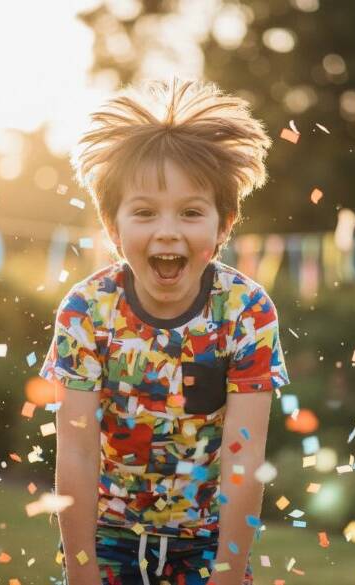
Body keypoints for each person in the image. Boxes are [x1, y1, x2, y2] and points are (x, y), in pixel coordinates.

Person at [39, 77, 290, 585]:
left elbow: (245, 456)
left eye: (192, 212)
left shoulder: (247, 312)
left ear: (223, 227)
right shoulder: (85, 311)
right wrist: (82, 574)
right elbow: (78, 451)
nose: (168, 230)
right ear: (113, 228)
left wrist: (226, 575)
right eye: (145, 212)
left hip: (208, 539)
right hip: (107, 533)